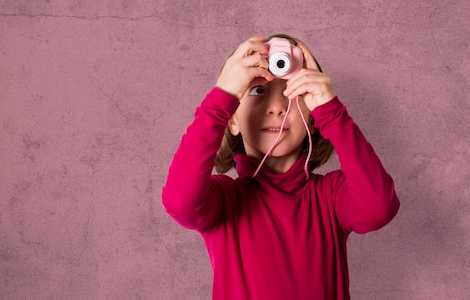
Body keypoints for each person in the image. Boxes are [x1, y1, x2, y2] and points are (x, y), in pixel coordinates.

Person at [162, 34, 400, 300]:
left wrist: (332, 113)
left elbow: (379, 208)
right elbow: (179, 202)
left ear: (312, 118)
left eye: (292, 93)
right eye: (258, 91)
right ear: (232, 121)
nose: (276, 107)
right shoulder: (223, 200)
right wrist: (222, 98)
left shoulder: (332, 196)